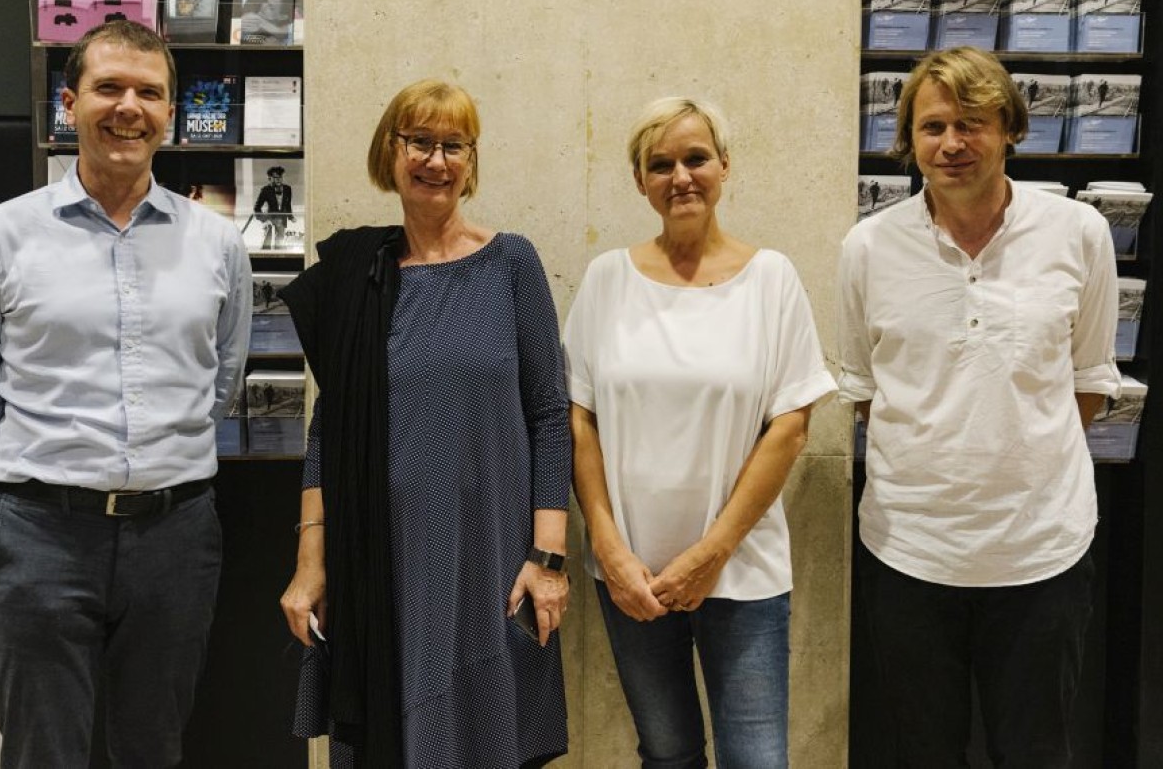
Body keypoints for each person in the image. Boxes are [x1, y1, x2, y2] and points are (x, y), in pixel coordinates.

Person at [0, 19, 252, 767]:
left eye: (149, 92)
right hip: (39, 536)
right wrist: (50, 470)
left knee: (153, 747)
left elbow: (221, 376)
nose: (130, 106)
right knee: (42, 749)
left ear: (171, 112)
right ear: (69, 103)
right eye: (109, 88)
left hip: (175, 536)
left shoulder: (217, 243)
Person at [837, 46, 1121, 767]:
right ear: (909, 140)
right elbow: (866, 390)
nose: (952, 144)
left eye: (972, 124)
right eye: (932, 127)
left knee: (1035, 753)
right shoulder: (868, 247)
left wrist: (1016, 450)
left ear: (1011, 130)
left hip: (1042, 558)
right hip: (909, 556)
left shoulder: (1078, 234)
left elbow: (1088, 376)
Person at [278, 79, 571, 768]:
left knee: (484, 736)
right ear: (391, 150)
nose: (435, 160)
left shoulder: (511, 263)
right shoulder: (359, 276)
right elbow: (330, 429)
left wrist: (548, 559)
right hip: (384, 554)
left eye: (453, 145)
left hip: (491, 554)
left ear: (471, 161)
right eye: (419, 142)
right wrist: (309, 564)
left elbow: (550, 414)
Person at [564, 97, 836, 769]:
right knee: (667, 753)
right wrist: (607, 545)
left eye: (695, 158)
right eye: (661, 164)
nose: (680, 176)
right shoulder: (607, 281)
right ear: (640, 181)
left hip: (741, 571)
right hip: (632, 577)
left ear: (724, 166)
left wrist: (712, 552)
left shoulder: (771, 280)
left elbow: (791, 426)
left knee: (757, 760)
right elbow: (578, 420)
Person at [253, 164, 293, 249]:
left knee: (280, 246)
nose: (279, 179)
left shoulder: (287, 189)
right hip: (269, 219)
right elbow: (257, 207)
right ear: (269, 178)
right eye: (275, 177)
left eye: (280, 177)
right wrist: (264, 220)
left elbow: (288, 204)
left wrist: (290, 216)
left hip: (282, 220)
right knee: (266, 244)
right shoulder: (265, 190)